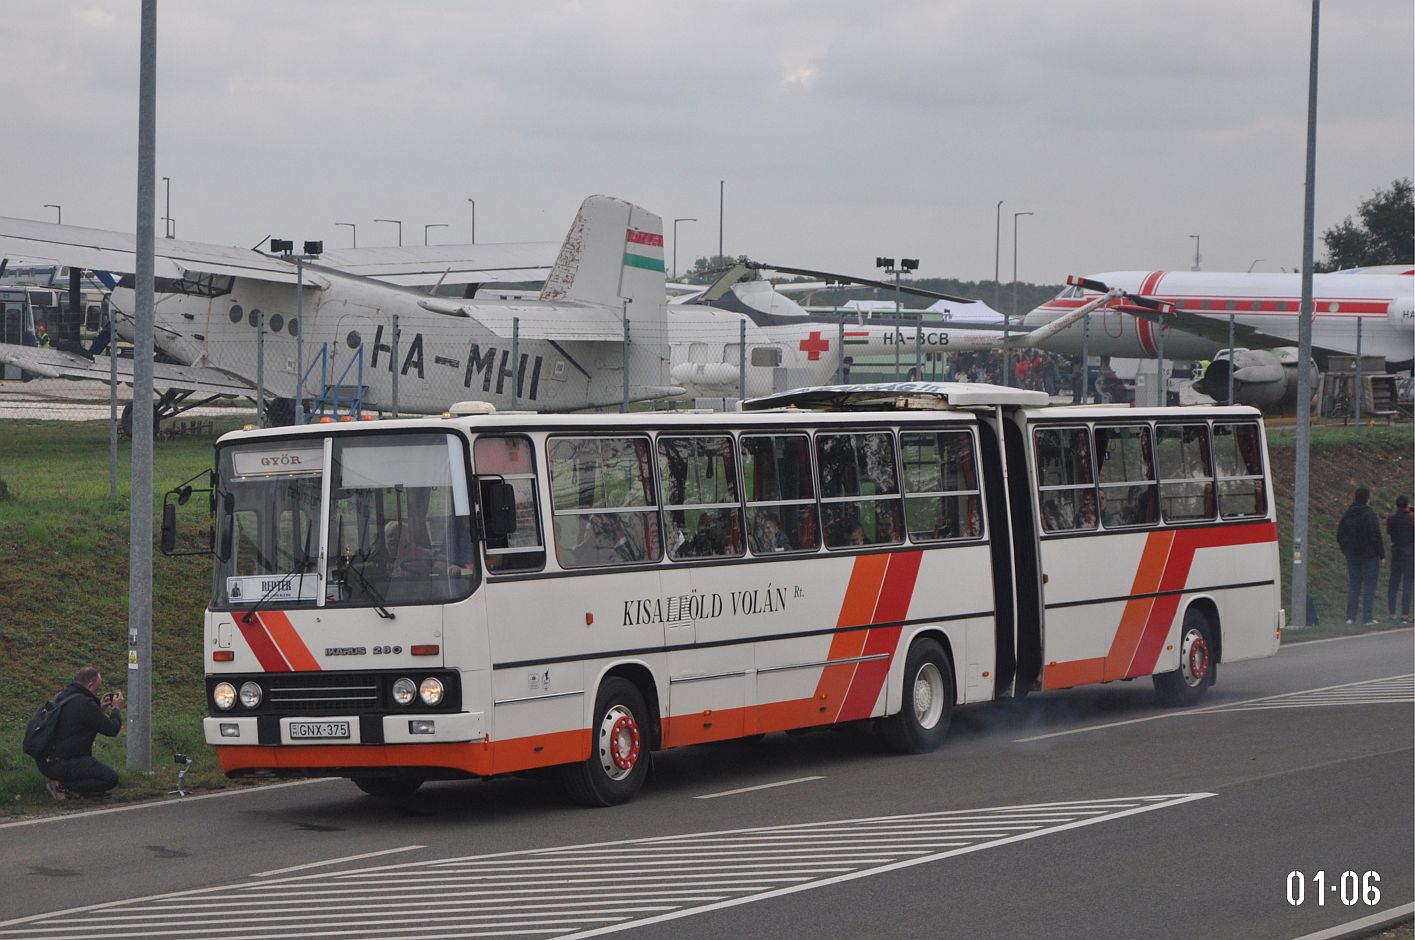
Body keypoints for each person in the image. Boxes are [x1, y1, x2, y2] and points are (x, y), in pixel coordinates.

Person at [36, 665, 125, 799]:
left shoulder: (62, 696)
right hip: (65, 762)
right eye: (97, 688)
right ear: (89, 685)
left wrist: (99, 709)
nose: (96, 693)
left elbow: (79, 721)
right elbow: (112, 729)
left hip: (46, 761)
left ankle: (72, 786)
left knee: (91, 767)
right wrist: (116, 709)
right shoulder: (85, 704)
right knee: (110, 778)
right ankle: (63, 787)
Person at [1336, 486, 1384, 625]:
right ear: (1367, 498)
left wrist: (1346, 550)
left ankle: (1350, 617)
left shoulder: (1348, 514)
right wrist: (1381, 555)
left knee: (1354, 585)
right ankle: (1367, 617)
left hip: (1352, 556)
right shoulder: (1370, 514)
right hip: (1369, 556)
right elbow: (1376, 535)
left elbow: (1340, 535)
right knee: (1369, 587)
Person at [1386, 494, 1413, 624]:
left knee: (1393, 583)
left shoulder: (1390, 519)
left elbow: (1389, 532)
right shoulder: (1412, 518)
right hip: (1409, 553)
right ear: (1407, 505)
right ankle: (1405, 615)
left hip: (1396, 552)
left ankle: (1392, 613)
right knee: (1408, 584)